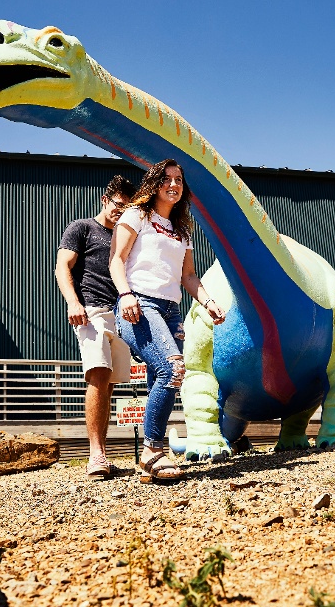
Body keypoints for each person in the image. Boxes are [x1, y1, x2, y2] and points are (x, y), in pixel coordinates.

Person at [109, 159, 225, 483]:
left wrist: (208, 301)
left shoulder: (181, 230)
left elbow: (188, 276)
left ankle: (150, 461)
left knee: (161, 377)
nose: (174, 184)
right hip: (139, 304)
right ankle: (151, 449)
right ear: (155, 182)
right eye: (168, 178)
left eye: (179, 180)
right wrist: (126, 294)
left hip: (171, 311)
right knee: (174, 368)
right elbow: (116, 260)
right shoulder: (137, 215)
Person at [55, 174, 136, 479]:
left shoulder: (127, 236)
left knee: (110, 384)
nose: (122, 211)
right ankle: (95, 454)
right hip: (92, 311)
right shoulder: (83, 228)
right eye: (119, 205)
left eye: (128, 208)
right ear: (106, 200)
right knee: (98, 376)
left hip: (121, 314)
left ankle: (102, 452)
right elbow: (62, 266)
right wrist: (73, 303)